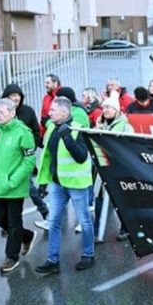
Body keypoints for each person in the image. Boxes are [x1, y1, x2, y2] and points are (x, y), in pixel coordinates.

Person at [34, 97, 95, 275]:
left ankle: (88, 255)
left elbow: (82, 156)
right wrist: (44, 182)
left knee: (84, 220)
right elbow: (48, 157)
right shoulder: (52, 128)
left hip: (76, 184)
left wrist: (68, 137)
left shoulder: (77, 129)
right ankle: (52, 260)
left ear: (64, 112)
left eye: (53, 110)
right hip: (57, 183)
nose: (49, 113)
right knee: (53, 221)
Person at [0, 98, 37, 273]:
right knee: (0, 219)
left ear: (12, 113)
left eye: (2, 112)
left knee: (14, 221)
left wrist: (13, 181)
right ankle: (27, 235)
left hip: (14, 186)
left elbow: (29, 161)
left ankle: (11, 257)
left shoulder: (23, 132)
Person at [0, 84, 48, 223]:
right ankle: (8, 223)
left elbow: (35, 131)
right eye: (12, 95)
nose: (15, 98)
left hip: (21, 161)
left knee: (29, 188)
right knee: (5, 199)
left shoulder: (27, 111)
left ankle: (44, 212)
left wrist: (32, 146)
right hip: (5, 159)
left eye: (17, 95)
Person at [93, 97, 134, 241]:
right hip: (103, 169)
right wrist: (97, 129)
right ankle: (97, 229)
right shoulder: (102, 125)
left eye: (108, 108)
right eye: (103, 108)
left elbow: (129, 147)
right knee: (99, 201)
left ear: (116, 110)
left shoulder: (125, 126)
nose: (105, 111)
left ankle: (125, 228)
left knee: (121, 201)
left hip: (118, 169)